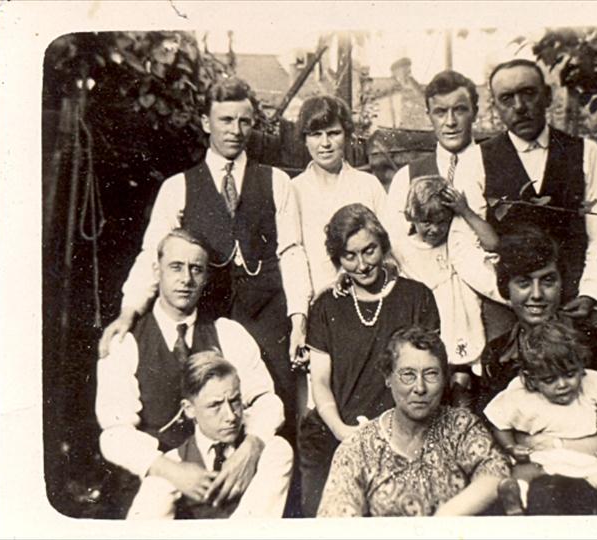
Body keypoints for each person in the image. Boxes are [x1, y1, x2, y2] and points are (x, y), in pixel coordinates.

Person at [98, 76, 311, 442]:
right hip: (209, 318)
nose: (236, 131)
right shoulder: (177, 187)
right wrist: (128, 313)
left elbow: (292, 252)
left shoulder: (277, 182)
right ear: (205, 122)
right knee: (207, 410)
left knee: (273, 414)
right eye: (226, 120)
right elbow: (153, 254)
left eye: (244, 121)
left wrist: (298, 321)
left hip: (268, 319)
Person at [96, 229, 289, 518]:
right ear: (157, 271)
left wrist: (251, 446)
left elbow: (267, 401)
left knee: (277, 449)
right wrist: (171, 471)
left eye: (196, 269)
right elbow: (114, 433)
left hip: (223, 477)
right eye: (176, 267)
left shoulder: (227, 333)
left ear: (206, 276)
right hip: (158, 482)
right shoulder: (127, 342)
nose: (186, 279)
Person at [298, 204, 440, 516]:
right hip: (334, 432)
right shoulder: (326, 305)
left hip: (403, 434)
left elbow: (428, 378)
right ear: (338, 259)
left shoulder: (417, 297)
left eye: (369, 250)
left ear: (383, 245)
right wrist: (341, 431)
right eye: (349, 256)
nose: (362, 265)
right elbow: (319, 381)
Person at [317, 326, 512, 517]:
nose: (420, 387)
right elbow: (335, 521)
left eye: (431, 374)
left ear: (445, 378)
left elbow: (496, 472)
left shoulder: (461, 427)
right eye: (408, 375)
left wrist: (446, 515)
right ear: (388, 378)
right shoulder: (359, 448)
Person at [482, 58, 597, 321]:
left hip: (574, 302)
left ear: (547, 96)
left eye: (528, 93)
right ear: (496, 106)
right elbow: (466, 245)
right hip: (506, 304)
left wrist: (591, 293)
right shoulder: (476, 159)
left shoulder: (585, 153)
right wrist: (508, 296)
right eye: (507, 98)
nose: (519, 106)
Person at [483, 320, 597, 514]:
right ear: (531, 379)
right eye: (549, 379)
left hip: (591, 459)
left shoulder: (595, 382)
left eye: (570, 374)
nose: (562, 384)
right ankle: (516, 504)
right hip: (542, 459)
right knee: (521, 474)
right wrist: (511, 447)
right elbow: (499, 423)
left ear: (581, 367)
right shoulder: (520, 392)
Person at [475, 223, 597, 414]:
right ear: (506, 287)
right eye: (523, 283)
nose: (536, 294)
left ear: (561, 285)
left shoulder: (596, 343)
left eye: (548, 281)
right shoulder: (497, 354)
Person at [383, 70, 504, 309]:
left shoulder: (499, 167)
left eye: (459, 110)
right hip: (432, 301)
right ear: (429, 115)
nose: (450, 122)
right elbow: (395, 248)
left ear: (474, 112)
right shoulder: (406, 177)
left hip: (494, 301)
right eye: (440, 112)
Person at [128, 351, 293, 519]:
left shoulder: (272, 450)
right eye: (215, 405)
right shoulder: (173, 467)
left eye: (235, 401)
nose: (230, 416)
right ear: (189, 409)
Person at [392, 175, 497, 402]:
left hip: (464, 325)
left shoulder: (456, 240)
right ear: (411, 217)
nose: (435, 229)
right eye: (426, 222)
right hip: (430, 328)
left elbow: (492, 243)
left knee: (464, 393)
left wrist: (465, 211)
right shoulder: (402, 249)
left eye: (442, 222)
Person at [291, 95, 387, 299]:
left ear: (347, 135)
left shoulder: (368, 185)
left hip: (367, 298)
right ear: (304, 139)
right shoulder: (293, 190)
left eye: (333, 133)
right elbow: (292, 255)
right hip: (316, 301)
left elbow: (389, 246)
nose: (325, 143)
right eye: (316, 134)